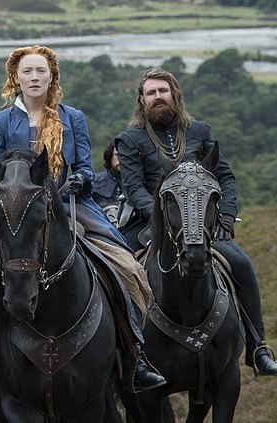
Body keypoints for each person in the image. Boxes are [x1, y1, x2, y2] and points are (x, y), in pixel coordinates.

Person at [0, 45, 165, 394]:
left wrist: (80, 180)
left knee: (124, 264)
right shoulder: (1, 122)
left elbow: (85, 166)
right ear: (16, 78)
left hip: (69, 203)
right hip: (12, 207)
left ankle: (135, 354)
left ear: (52, 76)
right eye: (28, 71)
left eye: (41, 71)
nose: (35, 77)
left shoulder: (73, 117)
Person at [115, 67, 277, 376]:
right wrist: (163, 222)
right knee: (121, 272)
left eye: (163, 91)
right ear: (142, 100)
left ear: (175, 95)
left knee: (241, 264)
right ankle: (128, 356)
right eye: (151, 93)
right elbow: (133, 187)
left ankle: (258, 347)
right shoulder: (130, 138)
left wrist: (226, 216)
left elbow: (224, 177)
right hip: (152, 225)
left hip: (202, 224)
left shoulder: (200, 131)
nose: (157, 97)